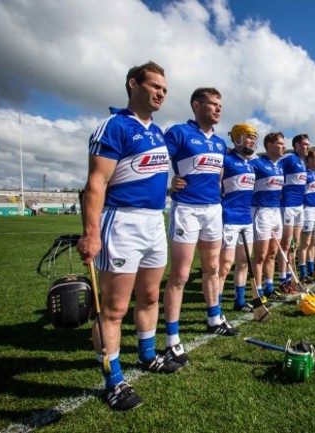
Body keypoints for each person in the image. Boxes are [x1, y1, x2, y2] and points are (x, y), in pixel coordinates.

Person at [77, 61, 180, 411]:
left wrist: (171, 185)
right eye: (155, 86)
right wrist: (91, 234)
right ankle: (114, 380)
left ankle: (148, 355)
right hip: (121, 223)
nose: (161, 93)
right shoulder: (115, 126)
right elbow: (95, 184)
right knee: (114, 309)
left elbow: (144, 174)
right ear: (133, 84)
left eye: (164, 89)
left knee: (150, 296)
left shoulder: (158, 132)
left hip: (154, 222)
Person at [162, 87, 238, 371]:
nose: (219, 109)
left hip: (213, 211)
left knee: (213, 269)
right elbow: (158, 162)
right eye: (214, 104)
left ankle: (214, 319)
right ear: (197, 105)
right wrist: (170, 182)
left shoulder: (219, 143)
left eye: (221, 104)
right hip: (187, 210)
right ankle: (172, 339)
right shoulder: (179, 133)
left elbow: (218, 176)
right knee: (180, 275)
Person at [217, 124, 260, 313]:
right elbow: (215, 185)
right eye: (249, 136)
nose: (252, 140)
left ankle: (239, 301)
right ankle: (215, 306)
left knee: (244, 262)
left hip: (246, 219)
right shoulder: (226, 160)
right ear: (237, 137)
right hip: (228, 218)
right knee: (225, 265)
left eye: (254, 137)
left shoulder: (250, 163)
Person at [251, 132, 286, 299]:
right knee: (260, 255)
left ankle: (269, 288)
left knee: (272, 253)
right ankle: (257, 291)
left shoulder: (279, 166)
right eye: (279, 143)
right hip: (261, 212)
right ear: (269, 145)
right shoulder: (256, 163)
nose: (283, 147)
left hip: (276, 212)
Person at [278, 134, 309, 289]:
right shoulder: (289, 158)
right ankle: (282, 279)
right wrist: (279, 192)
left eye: (308, 144)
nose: (307, 147)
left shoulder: (303, 162)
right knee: (285, 243)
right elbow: (275, 168)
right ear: (296, 145)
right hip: (288, 205)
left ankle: (290, 276)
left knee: (295, 244)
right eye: (304, 144)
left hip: (299, 206)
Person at [298, 148, 315, 283]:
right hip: (307, 211)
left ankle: (312, 269)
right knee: (305, 243)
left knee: (313, 242)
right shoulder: (305, 174)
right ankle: (303, 272)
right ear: (310, 160)